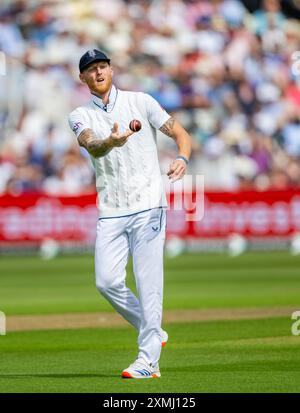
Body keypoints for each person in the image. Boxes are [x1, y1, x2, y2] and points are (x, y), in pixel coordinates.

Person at [68, 49, 192, 379]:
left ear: (111, 69)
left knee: (149, 284)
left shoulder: (142, 101)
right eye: (91, 69)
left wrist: (182, 158)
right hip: (111, 210)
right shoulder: (79, 115)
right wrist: (111, 142)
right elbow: (92, 145)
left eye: (103, 66)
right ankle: (152, 328)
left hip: (149, 204)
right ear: (82, 77)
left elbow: (181, 134)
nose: (98, 72)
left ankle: (148, 361)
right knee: (106, 281)